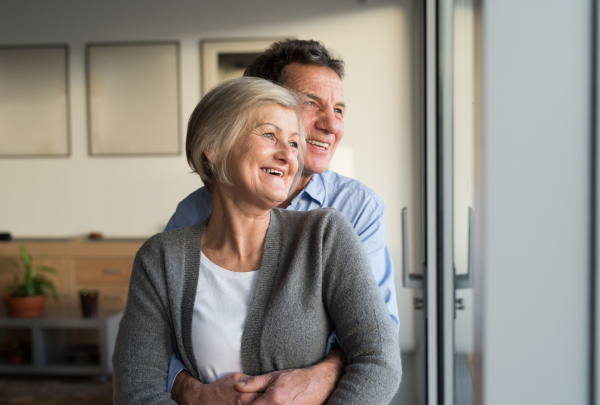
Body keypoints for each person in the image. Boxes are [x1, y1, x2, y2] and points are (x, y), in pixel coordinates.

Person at [112, 77, 401, 405]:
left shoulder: (324, 235)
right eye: (269, 135)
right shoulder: (161, 258)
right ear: (214, 147)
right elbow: (137, 389)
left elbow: (379, 359)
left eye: (294, 144)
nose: (287, 155)